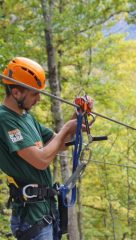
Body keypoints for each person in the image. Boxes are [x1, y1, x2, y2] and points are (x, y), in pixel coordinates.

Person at [0, 57, 80, 240]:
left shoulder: (26, 117)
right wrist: (67, 127)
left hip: (45, 210)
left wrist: (77, 119)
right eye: (34, 94)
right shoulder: (5, 119)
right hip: (31, 215)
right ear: (16, 93)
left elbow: (61, 143)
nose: (38, 99)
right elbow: (41, 160)